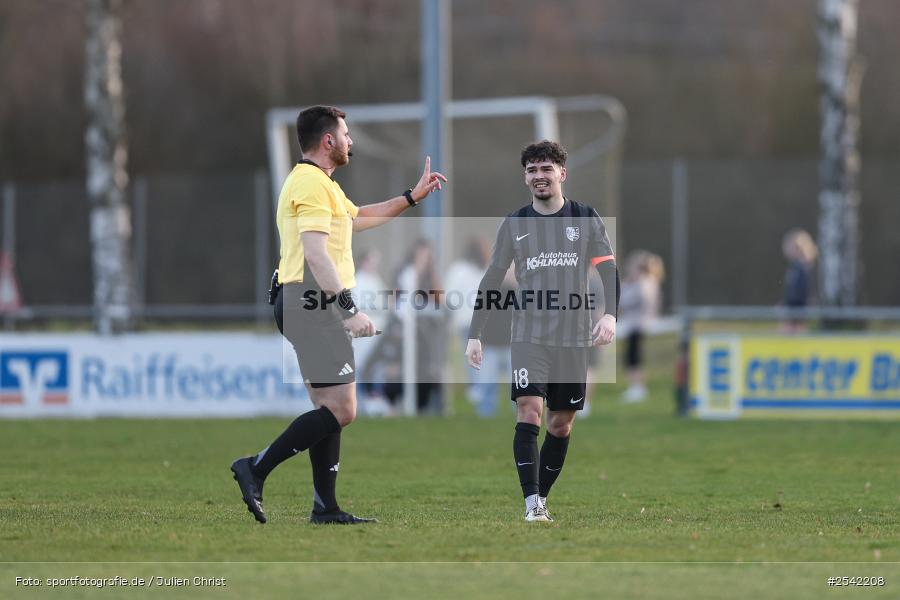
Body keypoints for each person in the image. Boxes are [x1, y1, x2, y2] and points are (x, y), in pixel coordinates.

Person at [231, 105, 446, 525]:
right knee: (343, 410)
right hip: (312, 301)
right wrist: (348, 309)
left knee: (328, 407)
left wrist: (409, 197)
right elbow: (315, 252)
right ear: (328, 141)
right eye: (345, 135)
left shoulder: (321, 184)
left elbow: (358, 217)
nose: (351, 142)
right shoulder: (310, 183)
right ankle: (254, 468)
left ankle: (324, 507)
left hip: (301, 300)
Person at [465, 140, 619, 522]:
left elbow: (608, 271)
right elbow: (492, 278)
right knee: (529, 411)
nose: (539, 177)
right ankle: (532, 503)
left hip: (573, 336)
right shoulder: (515, 223)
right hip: (528, 335)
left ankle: (541, 499)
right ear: (525, 177)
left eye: (546, 169)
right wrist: (475, 332)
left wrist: (611, 315)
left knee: (560, 423)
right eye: (532, 170)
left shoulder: (585, 217)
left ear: (562, 174)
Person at [445, 236, 512, 417]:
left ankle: (476, 389)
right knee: (477, 361)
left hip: (481, 324)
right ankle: (476, 389)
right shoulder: (463, 270)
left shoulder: (482, 270)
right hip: (472, 323)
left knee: (476, 361)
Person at [617, 251, 664, 403]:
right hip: (632, 324)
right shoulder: (635, 283)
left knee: (634, 357)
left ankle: (638, 388)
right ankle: (635, 387)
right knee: (631, 357)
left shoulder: (645, 283)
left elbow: (627, 301)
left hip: (639, 325)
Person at [781, 228, 818, 333]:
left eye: (788, 247)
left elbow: (802, 293)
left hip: (798, 315)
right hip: (794, 313)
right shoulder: (796, 267)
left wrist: (791, 311)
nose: (785, 250)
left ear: (798, 248)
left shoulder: (803, 269)